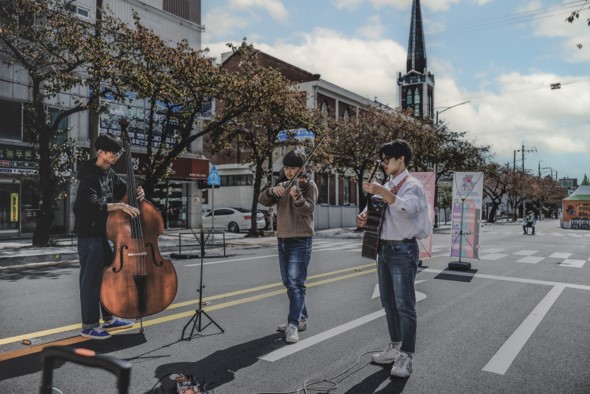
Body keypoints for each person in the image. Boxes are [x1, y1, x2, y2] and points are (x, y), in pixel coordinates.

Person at [356, 140, 432, 378]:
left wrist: (381, 191)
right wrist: (365, 217)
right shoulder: (388, 185)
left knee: (405, 305)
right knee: (388, 302)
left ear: (401, 159)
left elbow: (408, 209)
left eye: (387, 159)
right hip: (384, 248)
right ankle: (395, 346)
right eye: (382, 159)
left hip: (403, 249)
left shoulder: (412, 186)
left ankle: (406, 355)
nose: (384, 163)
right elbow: (382, 213)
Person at [73, 133, 145, 340]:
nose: (115, 157)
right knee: (91, 281)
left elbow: (125, 191)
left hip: (102, 234)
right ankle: (89, 326)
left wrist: (138, 192)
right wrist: (120, 205)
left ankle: (109, 318)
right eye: (113, 154)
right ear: (101, 152)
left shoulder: (109, 172)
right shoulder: (90, 176)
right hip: (88, 236)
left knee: (107, 277)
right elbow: (84, 206)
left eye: (118, 154)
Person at [258, 150, 318, 343]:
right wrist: (270, 192)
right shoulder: (282, 185)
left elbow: (307, 210)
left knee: (296, 282)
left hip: (300, 240)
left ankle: (293, 324)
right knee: (288, 282)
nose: (289, 172)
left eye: (293, 168)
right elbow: (263, 200)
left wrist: (297, 197)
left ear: (302, 168)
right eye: (286, 168)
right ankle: (300, 318)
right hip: (282, 238)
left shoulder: (309, 186)